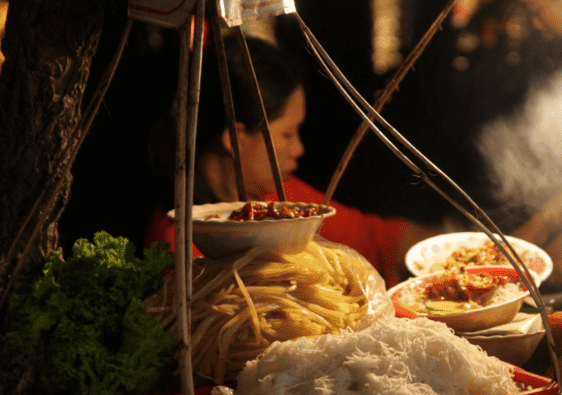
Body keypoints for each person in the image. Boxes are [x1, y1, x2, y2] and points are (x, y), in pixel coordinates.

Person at [145, 34, 438, 287]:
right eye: (286, 134)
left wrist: (456, 246)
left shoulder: (274, 201)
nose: (298, 149)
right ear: (235, 137)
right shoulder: (180, 247)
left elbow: (375, 239)